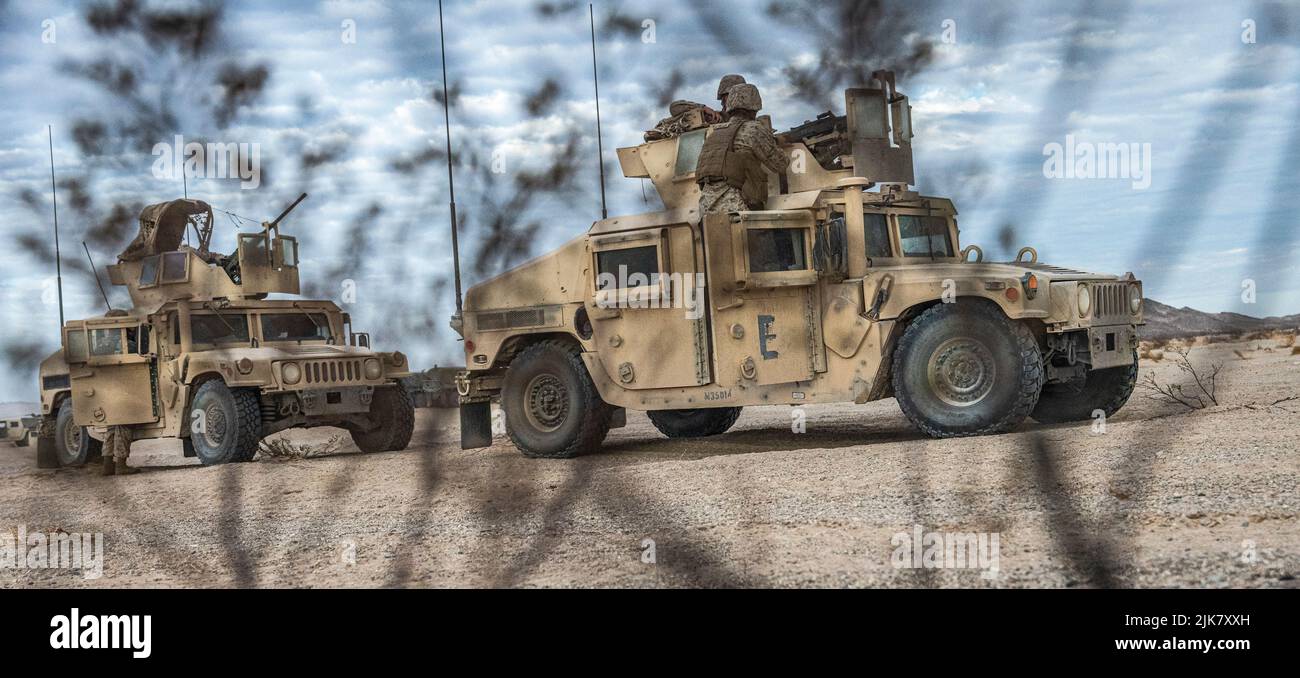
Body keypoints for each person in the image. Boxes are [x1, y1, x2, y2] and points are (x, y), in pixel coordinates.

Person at [695, 83, 789, 215]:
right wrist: (777, 143)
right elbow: (780, 164)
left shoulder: (714, 133)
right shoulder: (754, 129)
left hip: (705, 211)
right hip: (737, 210)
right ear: (755, 108)